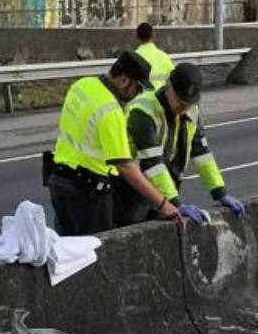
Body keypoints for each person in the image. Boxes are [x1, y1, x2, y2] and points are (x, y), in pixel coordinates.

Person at [49, 51, 180, 236]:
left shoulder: (82, 85)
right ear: (125, 80)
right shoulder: (110, 110)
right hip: (88, 193)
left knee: (66, 253)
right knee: (95, 255)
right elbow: (126, 167)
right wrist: (163, 204)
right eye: (138, 87)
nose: (138, 94)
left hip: (59, 182)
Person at [114, 63, 246, 226]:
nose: (183, 107)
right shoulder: (143, 110)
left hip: (162, 192)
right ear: (168, 86)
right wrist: (175, 203)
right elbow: (152, 164)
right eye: (180, 100)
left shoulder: (191, 110)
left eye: (188, 102)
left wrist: (220, 192)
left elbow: (201, 153)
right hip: (133, 190)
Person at [135, 22, 175, 90]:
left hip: (140, 100)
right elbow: (174, 80)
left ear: (137, 37)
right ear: (153, 35)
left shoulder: (132, 58)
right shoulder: (164, 57)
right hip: (159, 99)